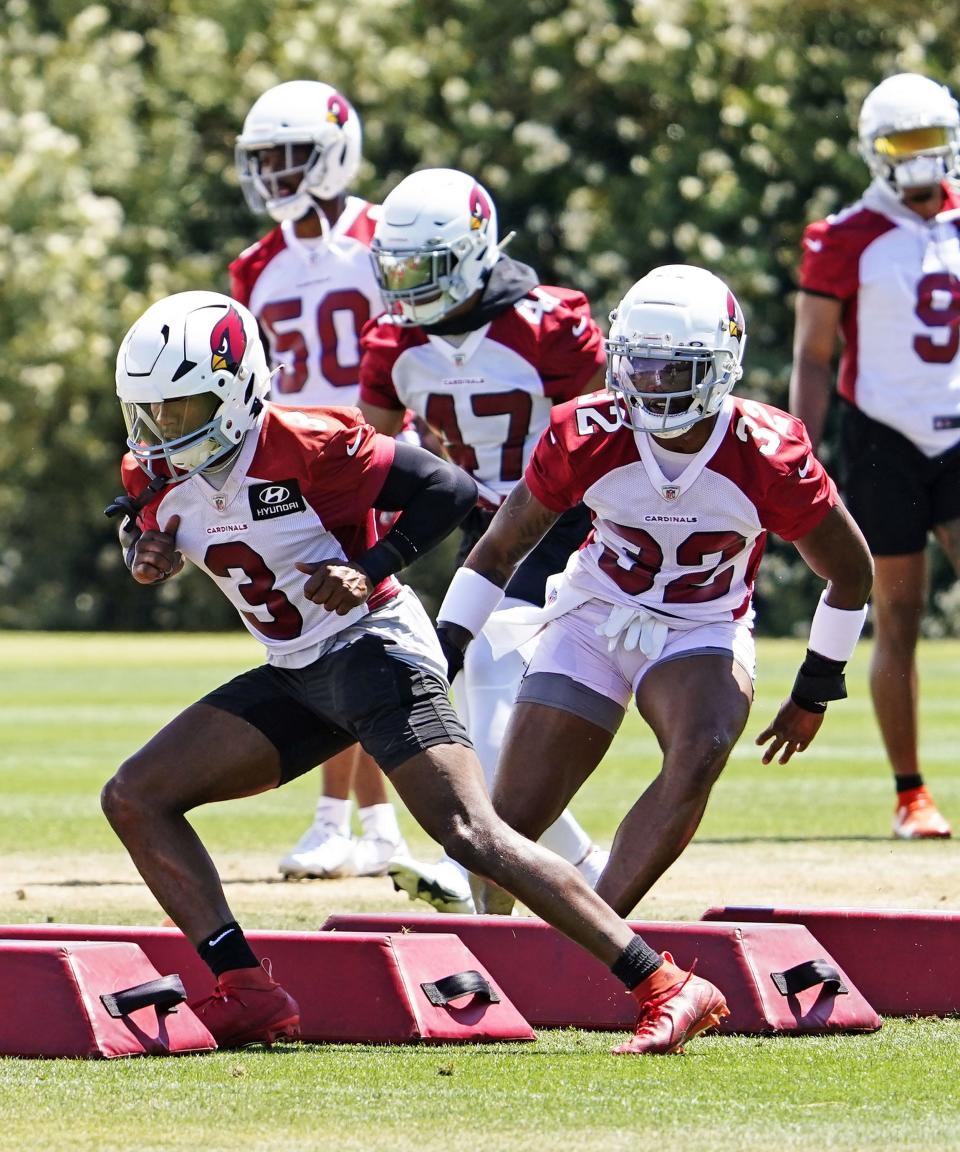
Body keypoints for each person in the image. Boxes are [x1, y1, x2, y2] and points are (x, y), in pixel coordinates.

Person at [101, 288, 730, 1056]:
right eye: (151, 412)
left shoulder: (308, 441)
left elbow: (448, 490)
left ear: (236, 390)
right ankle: (247, 989)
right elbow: (147, 528)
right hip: (296, 669)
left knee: (470, 832)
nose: (163, 431)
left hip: (375, 649)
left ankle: (663, 982)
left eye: (182, 407)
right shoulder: (153, 471)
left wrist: (370, 567)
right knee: (137, 796)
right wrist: (145, 554)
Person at [432, 264, 874, 918]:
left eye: (676, 368)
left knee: (700, 752)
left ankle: (601, 945)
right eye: (640, 365)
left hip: (702, 627)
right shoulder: (586, 432)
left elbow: (852, 571)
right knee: (508, 825)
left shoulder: (768, 453)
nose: (654, 384)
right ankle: (494, 953)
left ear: (723, 366)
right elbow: (499, 549)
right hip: (594, 614)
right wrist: (444, 649)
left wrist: (815, 688)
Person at [359, 167, 610, 912]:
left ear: (473, 252)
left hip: (568, 527)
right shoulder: (392, 342)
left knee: (490, 713)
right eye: (394, 269)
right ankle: (587, 881)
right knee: (478, 720)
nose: (406, 288)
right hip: (483, 534)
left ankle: (490, 881)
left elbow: (603, 445)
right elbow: (370, 463)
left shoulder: (549, 325)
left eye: (422, 270)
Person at [231, 79, 407, 879]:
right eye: (263, 159)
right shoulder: (255, 266)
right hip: (291, 459)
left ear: (336, 151)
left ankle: (358, 823)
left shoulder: (383, 234)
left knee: (358, 631)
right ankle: (360, 824)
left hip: (372, 453)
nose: (273, 173)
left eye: (290, 155)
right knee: (324, 633)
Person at [790, 72, 960, 839]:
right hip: (884, 434)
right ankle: (910, 792)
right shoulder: (843, 235)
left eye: (931, 140)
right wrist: (795, 449)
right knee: (897, 611)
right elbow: (814, 354)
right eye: (906, 143)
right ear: (875, 150)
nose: (922, 160)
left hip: (958, 430)